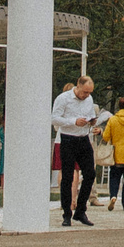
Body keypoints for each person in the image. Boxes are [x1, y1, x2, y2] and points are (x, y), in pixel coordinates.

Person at [50, 76, 102, 227]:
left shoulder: (89, 99)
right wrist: (73, 121)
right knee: (67, 177)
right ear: (78, 86)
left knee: (90, 174)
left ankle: (81, 210)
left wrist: (92, 122)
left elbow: (91, 115)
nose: (86, 95)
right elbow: (54, 118)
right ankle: (67, 213)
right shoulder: (63, 98)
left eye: (89, 93)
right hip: (68, 139)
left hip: (83, 138)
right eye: (84, 92)